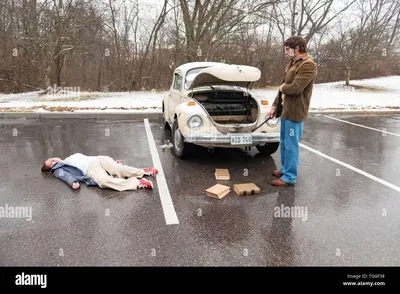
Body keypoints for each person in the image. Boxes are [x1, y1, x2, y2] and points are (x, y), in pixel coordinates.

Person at [268, 36, 317, 187]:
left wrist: (282, 88)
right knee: (284, 143)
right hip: (285, 110)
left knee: (291, 145)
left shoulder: (308, 65)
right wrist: (275, 106)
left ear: (298, 49)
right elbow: (282, 87)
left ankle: (289, 176)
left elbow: (295, 88)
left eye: (288, 49)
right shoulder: (292, 64)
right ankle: (285, 169)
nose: (286, 52)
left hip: (295, 112)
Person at [41, 153, 158, 191]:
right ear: (51, 168)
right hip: (91, 169)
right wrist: (72, 183)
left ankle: (142, 172)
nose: (51, 161)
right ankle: (137, 182)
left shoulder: (69, 158)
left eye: (50, 159)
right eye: (50, 164)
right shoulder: (58, 170)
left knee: (117, 168)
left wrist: (112, 161)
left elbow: (87, 157)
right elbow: (65, 176)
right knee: (103, 181)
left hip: (98, 159)